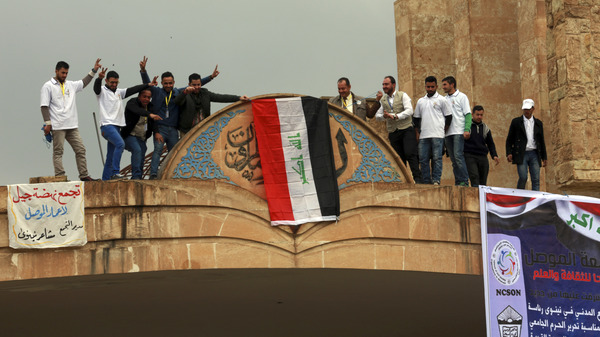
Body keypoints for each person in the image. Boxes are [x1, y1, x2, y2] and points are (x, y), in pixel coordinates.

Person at [139, 56, 218, 179]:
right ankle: (153, 174)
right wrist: (143, 71)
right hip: (160, 128)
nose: (168, 85)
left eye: (170, 83)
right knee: (158, 151)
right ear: (162, 83)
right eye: (166, 83)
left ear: (174, 82)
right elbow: (147, 84)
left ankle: (174, 176)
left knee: (175, 154)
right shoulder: (157, 92)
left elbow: (196, 85)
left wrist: (211, 77)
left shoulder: (177, 92)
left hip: (173, 130)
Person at [40, 59, 101, 181]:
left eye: (66, 73)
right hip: (58, 125)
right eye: (62, 72)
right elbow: (44, 106)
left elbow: (84, 82)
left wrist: (94, 70)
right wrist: (48, 124)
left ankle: (84, 175)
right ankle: (60, 176)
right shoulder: (48, 86)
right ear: (56, 71)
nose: (64, 75)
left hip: (72, 125)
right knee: (58, 152)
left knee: (81, 149)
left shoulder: (70, 85)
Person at [94, 68, 157, 180]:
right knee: (120, 144)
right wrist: (99, 78)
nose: (114, 84)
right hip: (107, 125)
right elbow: (96, 89)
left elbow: (133, 89)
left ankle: (105, 180)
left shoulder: (119, 92)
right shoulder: (102, 91)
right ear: (107, 81)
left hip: (117, 127)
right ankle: (115, 172)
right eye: (111, 82)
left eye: (116, 82)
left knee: (110, 156)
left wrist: (148, 84)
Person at [367, 76, 421, 183]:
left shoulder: (402, 95)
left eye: (386, 84)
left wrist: (396, 116)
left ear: (393, 85)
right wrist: (385, 116)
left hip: (406, 129)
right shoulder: (383, 100)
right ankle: (403, 181)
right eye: (383, 84)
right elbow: (377, 117)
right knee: (399, 158)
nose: (384, 87)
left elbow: (409, 110)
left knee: (410, 154)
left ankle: (418, 180)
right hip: (393, 132)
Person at [176, 73, 250, 136]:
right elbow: (177, 101)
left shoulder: (205, 93)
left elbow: (221, 97)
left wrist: (238, 98)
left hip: (203, 130)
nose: (196, 87)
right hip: (187, 132)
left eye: (198, 85)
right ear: (189, 84)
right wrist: (185, 92)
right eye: (194, 85)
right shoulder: (184, 95)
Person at [413, 76, 452, 185]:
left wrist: (444, 130)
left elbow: (449, 117)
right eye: (428, 87)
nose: (430, 89)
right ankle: (426, 181)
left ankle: (436, 180)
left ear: (436, 86)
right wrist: (417, 133)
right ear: (425, 86)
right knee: (423, 160)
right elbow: (416, 118)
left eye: (432, 87)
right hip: (424, 135)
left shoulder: (442, 100)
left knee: (437, 159)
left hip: (438, 135)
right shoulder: (421, 101)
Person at [506, 99, 547, 191]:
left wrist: (544, 157)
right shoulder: (516, 122)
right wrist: (509, 152)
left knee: (536, 179)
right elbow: (509, 139)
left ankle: (535, 199)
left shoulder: (538, 123)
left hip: (534, 153)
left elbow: (541, 140)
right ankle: (519, 195)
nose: (526, 111)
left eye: (528, 109)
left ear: (533, 109)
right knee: (523, 177)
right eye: (525, 109)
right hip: (522, 153)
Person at [121, 89, 162, 179]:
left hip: (142, 137)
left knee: (142, 152)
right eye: (144, 97)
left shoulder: (150, 107)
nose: (146, 99)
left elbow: (154, 121)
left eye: (148, 97)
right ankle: (136, 176)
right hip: (130, 135)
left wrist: (156, 132)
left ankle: (138, 177)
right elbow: (137, 111)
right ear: (139, 96)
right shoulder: (132, 103)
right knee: (137, 150)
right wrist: (149, 114)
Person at [442, 76, 471, 186]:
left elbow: (468, 114)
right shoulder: (444, 99)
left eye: (445, 84)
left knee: (458, 156)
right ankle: (458, 181)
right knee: (453, 160)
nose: (443, 87)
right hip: (448, 133)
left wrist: (467, 129)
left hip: (458, 131)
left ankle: (465, 180)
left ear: (452, 84)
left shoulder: (462, 97)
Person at [464, 105, 499, 187]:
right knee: (474, 177)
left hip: (482, 156)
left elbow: (490, 143)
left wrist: (494, 155)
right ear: (472, 114)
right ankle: (475, 197)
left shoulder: (485, 128)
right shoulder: (467, 126)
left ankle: (481, 198)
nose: (479, 117)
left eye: (481, 115)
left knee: (483, 181)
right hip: (470, 155)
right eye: (477, 114)